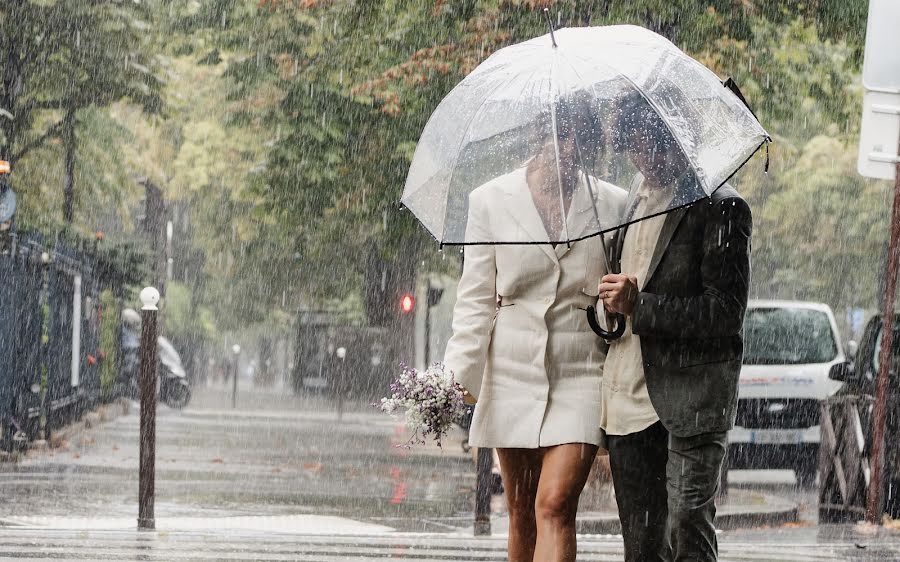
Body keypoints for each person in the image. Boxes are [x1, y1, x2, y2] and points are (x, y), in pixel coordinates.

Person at [444, 97, 626, 562]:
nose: (567, 149)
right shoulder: (489, 201)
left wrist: (622, 300)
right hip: (510, 372)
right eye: (558, 137)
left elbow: (624, 287)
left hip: (581, 370)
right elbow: (475, 299)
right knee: (521, 509)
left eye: (579, 140)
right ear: (536, 139)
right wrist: (456, 383)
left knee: (556, 504)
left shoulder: (614, 204)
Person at [597, 91, 752, 562]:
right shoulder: (630, 206)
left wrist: (640, 306)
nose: (646, 157)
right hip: (627, 398)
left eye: (655, 143)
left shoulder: (721, 206)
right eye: (636, 146)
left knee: (687, 528)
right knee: (641, 547)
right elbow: (623, 300)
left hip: (691, 399)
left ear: (679, 137)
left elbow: (724, 313)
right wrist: (611, 309)